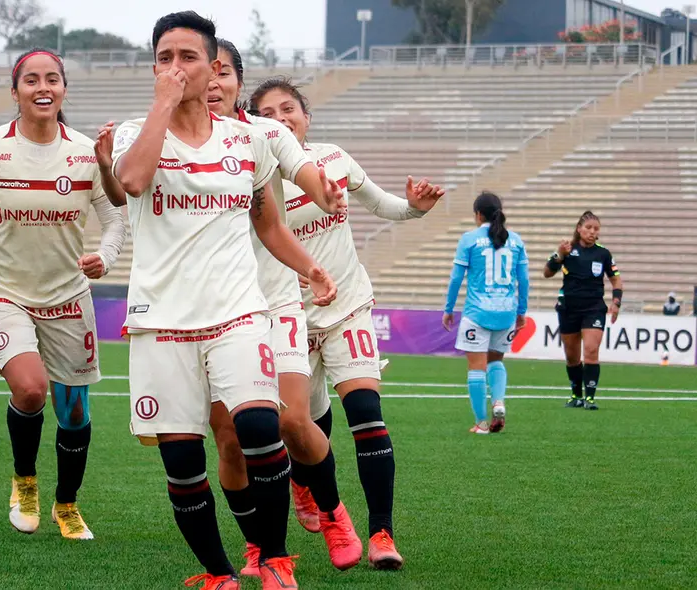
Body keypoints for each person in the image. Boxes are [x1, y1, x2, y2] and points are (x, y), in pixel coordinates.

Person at [110, 12, 337, 590]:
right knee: (184, 466)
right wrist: (164, 106)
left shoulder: (249, 140)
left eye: (187, 57)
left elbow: (269, 223)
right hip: (160, 324)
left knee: (261, 427)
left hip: (238, 313)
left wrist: (310, 268)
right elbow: (132, 182)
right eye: (164, 57)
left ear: (214, 66)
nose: (175, 68)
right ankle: (217, 573)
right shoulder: (132, 135)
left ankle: (276, 560)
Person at [250, 77, 445, 571]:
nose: (280, 118)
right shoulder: (248, 176)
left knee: (365, 411)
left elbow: (385, 206)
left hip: (347, 309)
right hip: (287, 315)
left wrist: (416, 209)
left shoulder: (334, 159)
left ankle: (380, 532)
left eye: (288, 108)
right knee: (302, 427)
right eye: (267, 112)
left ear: (306, 117)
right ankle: (307, 485)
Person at [0, 49, 126, 540]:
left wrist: (104, 258)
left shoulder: (87, 153)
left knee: (76, 412)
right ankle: (24, 482)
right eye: (31, 80)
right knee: (29, 388)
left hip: (67, 296)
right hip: (0, 291)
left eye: (52, 79)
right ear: (16, 91)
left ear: (63, 89)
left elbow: (114, 221)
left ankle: (67, 505)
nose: (42, 87)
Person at [205, 38, 362, 574]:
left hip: (273, 299)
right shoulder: (168, 142)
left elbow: (298, 177)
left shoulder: (261, 137)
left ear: (238, 83)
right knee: (228, 438)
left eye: (222, 72)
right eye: (204, 70)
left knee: (293, 422)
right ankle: (257, 544)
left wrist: (326, 193)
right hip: (209, 311)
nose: (211, 81)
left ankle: (334, 510)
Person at [442, 192, 529, 434]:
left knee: (476, 368)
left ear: (478, 215)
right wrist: (521, 311)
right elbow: (524, 279)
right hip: (506, 312)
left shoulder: (470, 239)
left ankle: (481, 423)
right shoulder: (516, 240)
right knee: (496, 362)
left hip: (478, 312)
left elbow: (456, 278)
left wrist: (448, 309)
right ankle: (498, 402)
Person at [543, 211, 622, 410]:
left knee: (591, 350)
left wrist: (616, 302)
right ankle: (576, 395)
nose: (592, 232)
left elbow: (615, 279)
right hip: (568, 308)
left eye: (596, 229)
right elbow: (547, 273)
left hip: (593, 308)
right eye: (588, 227)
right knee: (571, 356)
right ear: (579, 229)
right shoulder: (567, 249)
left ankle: (590, 398)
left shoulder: (603, 253)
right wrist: (559, 254)